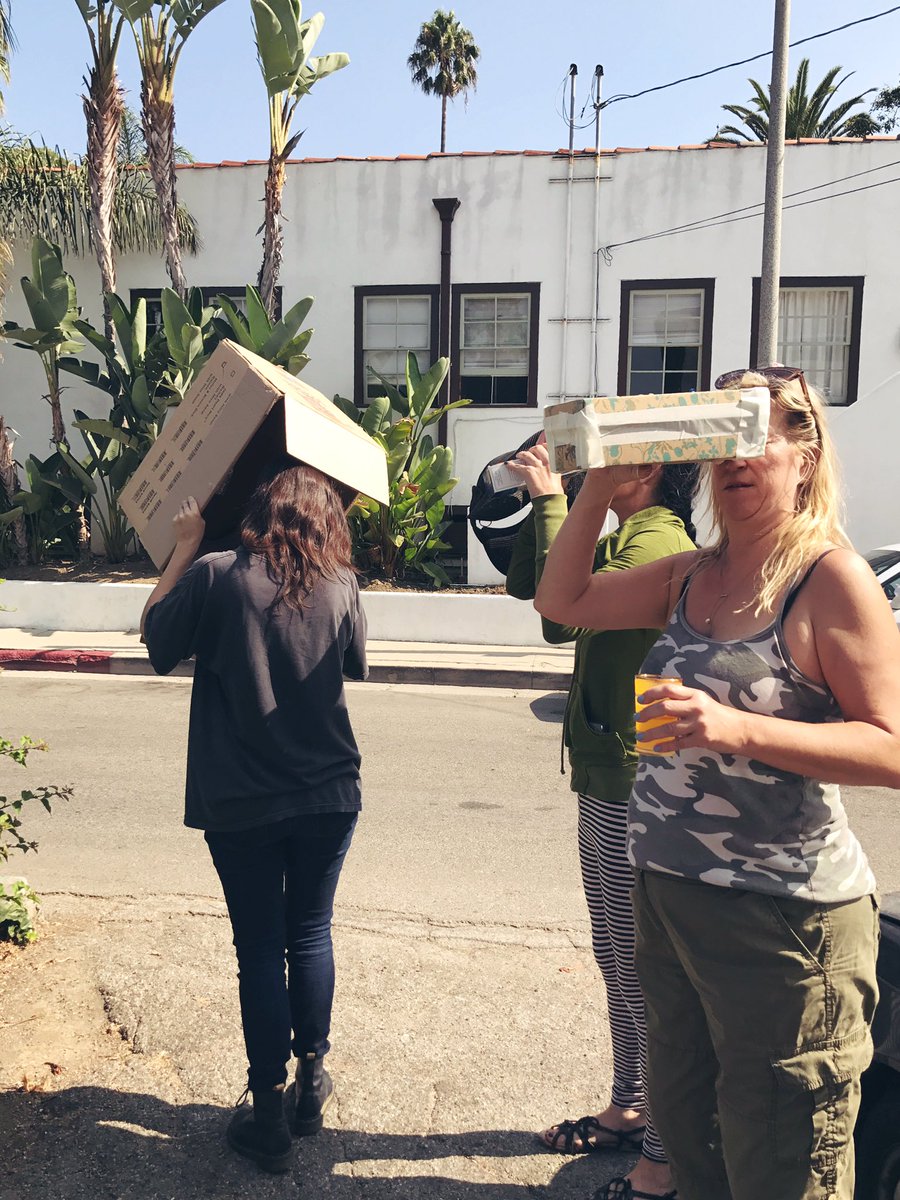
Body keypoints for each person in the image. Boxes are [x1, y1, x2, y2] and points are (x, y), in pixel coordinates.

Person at [534, 367, 900, 1200]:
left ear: (804, 456)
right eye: (727, 433)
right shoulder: (691, 573)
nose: (742, 454)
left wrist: (737, 728)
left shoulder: (827, 578)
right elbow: (563, 598)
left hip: (783, 925)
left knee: (781, 1166)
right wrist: (594, 486)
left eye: (764, 431)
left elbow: (893, 746)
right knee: (697, 1153)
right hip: (671, 902)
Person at [141, 460, 367, 1174]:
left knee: (258, 948)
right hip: (329, 793)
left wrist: (182, 543)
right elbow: (353, 666)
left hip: (240, 799)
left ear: (258, 510)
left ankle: (269, 1109)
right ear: (325, 519)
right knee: (310, 933)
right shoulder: (342, 583)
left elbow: (155, 641)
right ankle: (312, 1084)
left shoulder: (214, 573)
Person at [506, 437, 699, 1200]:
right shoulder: (624, 534)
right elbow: (539, 593)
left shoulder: (658, 540)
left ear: (642, 469)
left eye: (600, 462)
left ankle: (654, 1137)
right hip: (605, 773)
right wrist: (540, 504)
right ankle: (628, 1105)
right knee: (616, 957)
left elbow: (569, 619)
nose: (586, 472)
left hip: (629, 779)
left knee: (638, 969)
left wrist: (559, 499)